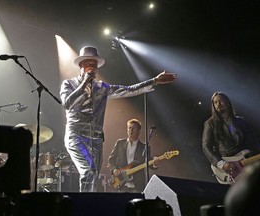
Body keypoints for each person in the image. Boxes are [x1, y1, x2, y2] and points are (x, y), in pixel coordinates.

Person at [60, 46, 177, 192]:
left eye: (94, 66)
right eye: (88, 65)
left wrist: (154, 81)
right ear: (81, 66)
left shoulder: (102, 88)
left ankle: (88, 206)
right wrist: (84, 83)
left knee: (94, 175)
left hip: (95, 139)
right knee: (89, 170)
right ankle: (85, 209)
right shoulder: (69, 84)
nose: (92, 68)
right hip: (76, 136)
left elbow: (129, 90)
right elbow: (67, 103)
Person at [202, 91, 260, 184]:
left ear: (227, 103)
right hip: (227, 162)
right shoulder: (210, 123)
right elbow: (206, 147)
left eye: (221, 101)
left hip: (244, 161)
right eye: (215, 102)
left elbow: (252, 142)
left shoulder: (240, 121)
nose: (218, 104)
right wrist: (222, 164)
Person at [108, 119, 160, 192]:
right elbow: (111, 159)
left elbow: (149, 163)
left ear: (138, 131)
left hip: (138, 185)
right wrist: (114, 170)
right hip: (122, 182)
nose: (130, 130)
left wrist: (155, 164)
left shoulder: (144, 147)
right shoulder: (120, 143)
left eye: (133, 128)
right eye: (129, 128)